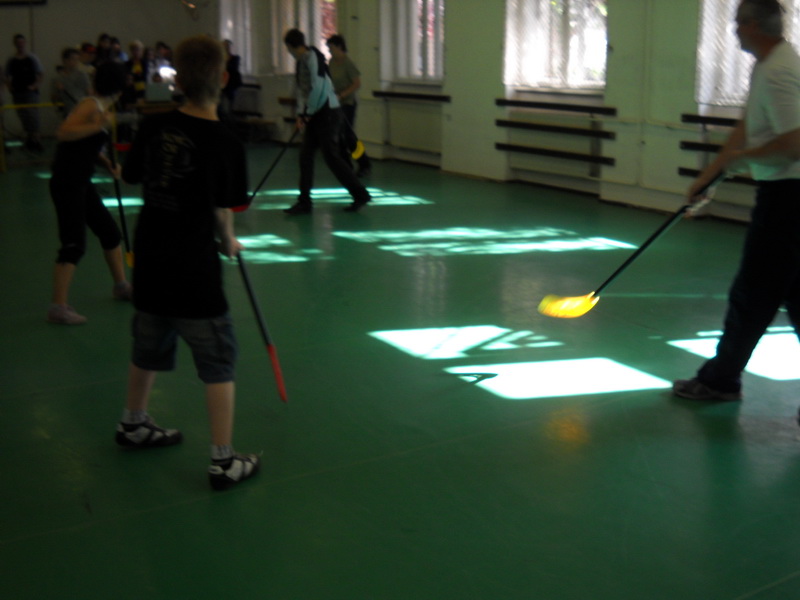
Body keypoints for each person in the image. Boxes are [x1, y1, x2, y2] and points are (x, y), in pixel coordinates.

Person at [117, 35, 259, 491]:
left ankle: (133, 422)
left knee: (148, 344)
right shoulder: (227, 143)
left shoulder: (152, 125)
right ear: (223, 78)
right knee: (218, 361)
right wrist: (228, 239)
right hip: (194, 275)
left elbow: (133, 176)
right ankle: (223, 461)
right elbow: (224, 204)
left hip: (150, 264)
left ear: (177, 79)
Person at [673, 0, 800, 403]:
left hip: (789, 199)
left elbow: (795, 144)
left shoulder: (780, 71)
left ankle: (720, 380)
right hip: (785, 195)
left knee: (753, 294)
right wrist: (711, 175)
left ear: (752, 25)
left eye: (737, 23)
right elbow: (747, 126)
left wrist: (741, 160)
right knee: (790, 295)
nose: (733, 30)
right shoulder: (768, 64)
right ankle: (721, 377)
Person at [46, 62, 132, 325]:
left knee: (110, 233)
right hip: (67, 182)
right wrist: (98, 126)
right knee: (74, 244)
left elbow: (84, 146)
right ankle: (58, 307)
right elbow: (64, 133)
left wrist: (106, 163)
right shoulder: (91, 105)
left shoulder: (101, 107)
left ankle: (121, 286)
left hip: (81, 181)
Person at [283, 28, 371, 214]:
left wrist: (307, 113)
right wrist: (300, 114)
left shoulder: (313, 57)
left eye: (288, 48)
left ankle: (360, 193)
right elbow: (302, 91)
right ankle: (304, 202)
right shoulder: (301, 62)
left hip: (329, 112)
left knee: (332, 157)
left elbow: (319, 88)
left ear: (291, 46)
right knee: (305, 156)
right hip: (316, 113)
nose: (288, 52)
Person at [327, 34, 371, 178]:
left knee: (348, 136)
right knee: (337, 136)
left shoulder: (348, 63)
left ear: (339, 46)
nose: (329, 50)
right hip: (335, 104)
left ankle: (364, 163)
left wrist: (342, 94)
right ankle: (346, 166)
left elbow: (357, 84)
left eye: (331, 47)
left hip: (348, 103)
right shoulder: (331, 62)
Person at [5, 34, 44, 152]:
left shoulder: (32, 58)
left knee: (32, 116)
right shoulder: (11, 60)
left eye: (22, 42)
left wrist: (34, 86)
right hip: (17, 93)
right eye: (18, 42)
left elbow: (41, 74)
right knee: (23, 116)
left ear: (25, 43)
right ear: (15, 44)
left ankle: (37, 140)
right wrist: (10, 87)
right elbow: (6, 76)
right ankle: (30, 140)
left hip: (30, 93)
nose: (20, 45)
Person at [53, 47, 91, 116]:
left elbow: (89, 92)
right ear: (65, 60)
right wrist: (58, 90)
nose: (76, 62)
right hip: (68, 112)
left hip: (82, 110)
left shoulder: (82, 75)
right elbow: (54, 100)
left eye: (77, 59)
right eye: (73, 59)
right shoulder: (58, 78)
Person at [221, 39, 242, 115]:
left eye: (227, 46)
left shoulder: (235, 58)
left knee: (229, 106)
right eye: (224, 46)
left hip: (231, 84)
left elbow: (232, 68)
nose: (226, 48)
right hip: (222, 84)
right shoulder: (221, 59)